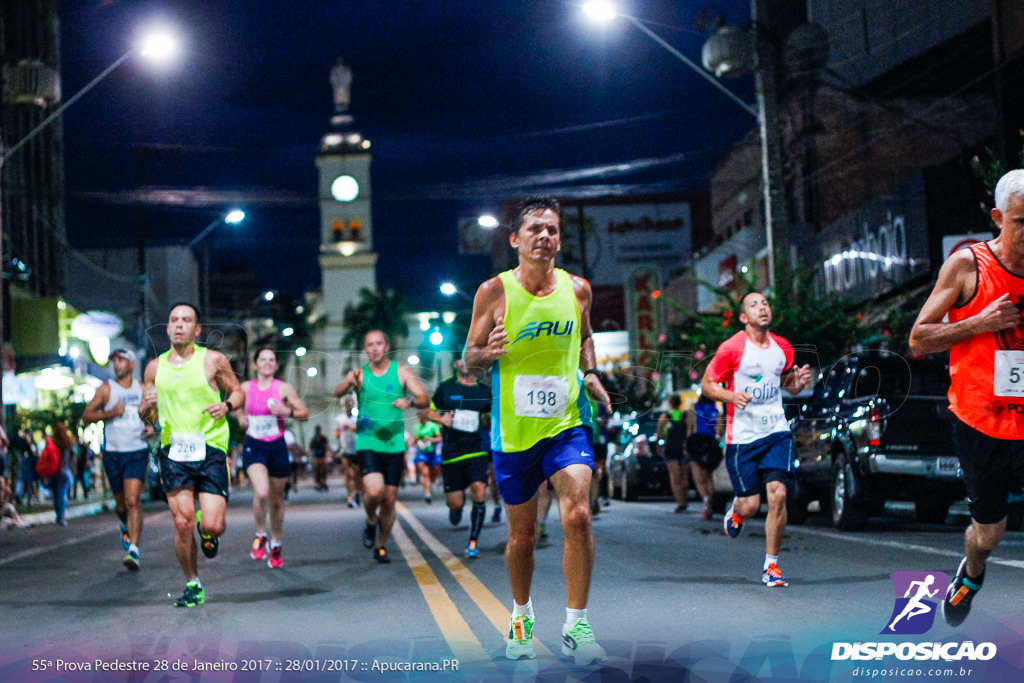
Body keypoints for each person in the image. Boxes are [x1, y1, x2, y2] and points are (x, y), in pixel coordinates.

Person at [464, 196, 612, 665]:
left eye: (552, 230)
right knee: (522, 538)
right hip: (514, 432)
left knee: (578, 516)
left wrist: (590, 374)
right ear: (515, 240)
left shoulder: (579, 289)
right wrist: (488, 351)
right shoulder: (494, 292)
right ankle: (522, 615)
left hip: (568, 422)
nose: (545, 236)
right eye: (535, 230)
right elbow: (467, 357)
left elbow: (585, 336)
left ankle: (577, 624)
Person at [908, 169, 1024, 626]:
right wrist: (979, 322)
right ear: (998, 217)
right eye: (1021, 221)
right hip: (981, 421)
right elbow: (918, 339)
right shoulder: (967, 266)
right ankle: (972, 573)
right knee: (990, 533)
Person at [700, 291, 811, 588]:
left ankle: (771, 566)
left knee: (778, 495)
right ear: (743, 317)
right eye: (754, 305)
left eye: (765, 303)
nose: (762, 308)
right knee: (751, 505)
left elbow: (785, 383)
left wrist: (797, 384)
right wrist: (731, 396)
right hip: (743, 437)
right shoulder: (732, 348)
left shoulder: (783, 347)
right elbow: (708, 384)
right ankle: (736, 512)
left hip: (776, 431)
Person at [140, 302, 244, 607]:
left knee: (213, 525)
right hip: (173, 449)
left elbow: (238, 392)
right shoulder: (154, 368)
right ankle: (193, 583)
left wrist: (226, 406)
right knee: (181, 522)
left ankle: (207, 528)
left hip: (211, 446)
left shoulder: (213, 360)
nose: (179, 325)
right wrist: (146, 407)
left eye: (186, 320)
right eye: (174, 320)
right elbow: (147, 416)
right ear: (168, 327)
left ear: (197, 330)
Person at [333, 329, 430, 564]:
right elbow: (337, 393)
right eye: (369, 345)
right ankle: (370, 520)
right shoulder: (359, 374)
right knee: (374, 491)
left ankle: (382, 544)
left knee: (389, 499)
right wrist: (347, 382)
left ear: (386, 347)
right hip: (367, 440)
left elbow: (424, 398)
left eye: (378, 343)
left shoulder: (401, 372)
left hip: (395, 444)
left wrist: (408, 400)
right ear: (365, 349)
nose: (374, 348)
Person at [235, 347, 309, 569]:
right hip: (254, 445)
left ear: (276, 365)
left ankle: (276, 542)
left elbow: (304, 413)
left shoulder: (283, 388)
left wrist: (285, 411)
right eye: (262, 359)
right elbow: (235, 405)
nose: (267, 363)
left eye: (271, 360)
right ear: (255, 364)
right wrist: (241, 418)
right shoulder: (246, 388)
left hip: (277, 446)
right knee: (262, 491)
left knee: (276, 501)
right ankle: (260, 535)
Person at [83, 348, 150, 570]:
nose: (117, 364)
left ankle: (134, 550)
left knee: (133, 500)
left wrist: (152, 427)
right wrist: (110, 413)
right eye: (114, 360)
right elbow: (86, 416)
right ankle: (124, 523)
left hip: (137, 450)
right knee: (121, 505)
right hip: (113, 453)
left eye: (121, 360)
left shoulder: (142, 389)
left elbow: (154, 417)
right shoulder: (105, 389)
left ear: (131, 364)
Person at [425, 358, 493, 557]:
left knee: (479, 491)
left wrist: (488, 420)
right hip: (452, 453)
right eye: (461, 359)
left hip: (477, 450)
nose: (464, 363)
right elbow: (428, 411)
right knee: (455, 503)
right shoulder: (446, 388)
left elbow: (495, 414)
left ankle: (473, 542)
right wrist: (441, 418)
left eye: (468, 358)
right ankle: (456, 509)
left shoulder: (483, 391)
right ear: (455, 363)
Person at [686, 393, 724, 520]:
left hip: (696, 442)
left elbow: (690, 429)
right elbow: (720, 430)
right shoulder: (715, 411)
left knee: (698, 477)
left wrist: (687, 446)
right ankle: (711, 500)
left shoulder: (694, 408)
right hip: (710, 443)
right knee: (708, 476)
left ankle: (707, 502)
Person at [657, 394, 690, 513]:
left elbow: (659, 434)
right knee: (684, 478)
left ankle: (680, 502)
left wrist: (658, 447)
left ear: (670, 403)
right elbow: (690, 432)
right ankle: (684, 500)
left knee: (675, 478)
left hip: (671, 449)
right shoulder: (686, 415)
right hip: (683, 449)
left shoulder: (665, 416)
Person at [40, 422, 74, 526]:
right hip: (63, 470)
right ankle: (61, 516)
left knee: (55, 494)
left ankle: (58, 515)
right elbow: (71, 457)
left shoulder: (51, 442)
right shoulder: (67, 441)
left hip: (53, 471)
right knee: (62, 493)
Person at [334, 396, 362, 508]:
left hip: (356, 449)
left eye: (350, 404)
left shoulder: (356, 418)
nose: (348, 406)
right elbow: (336, 433)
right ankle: (350, 496)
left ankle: (357, 493)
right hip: (345, 450)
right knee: (348, 474)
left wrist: (352, 428)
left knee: (357, 474)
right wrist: (338, 437)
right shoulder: (339, 419)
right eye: (346, 404)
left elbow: (360, 430)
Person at [413, 412, 442, 503]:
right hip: (422, 452)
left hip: (432, 452)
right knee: (424, 472)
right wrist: (416, 442)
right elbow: (415, 439)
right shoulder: (416, 427)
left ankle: (432, 482)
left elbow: (439, 439)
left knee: (433, 471)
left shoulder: (433, 426)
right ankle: (427, 493)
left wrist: (430, 439)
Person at [310, 426, 330, 491]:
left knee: (323, 469)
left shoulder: (323, 438)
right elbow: (311, 447)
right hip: (316, 456)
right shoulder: (313, 438)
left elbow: (327, 445)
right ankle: (317, 482)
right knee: (317, 470)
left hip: (322, 455)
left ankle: (323, 481)